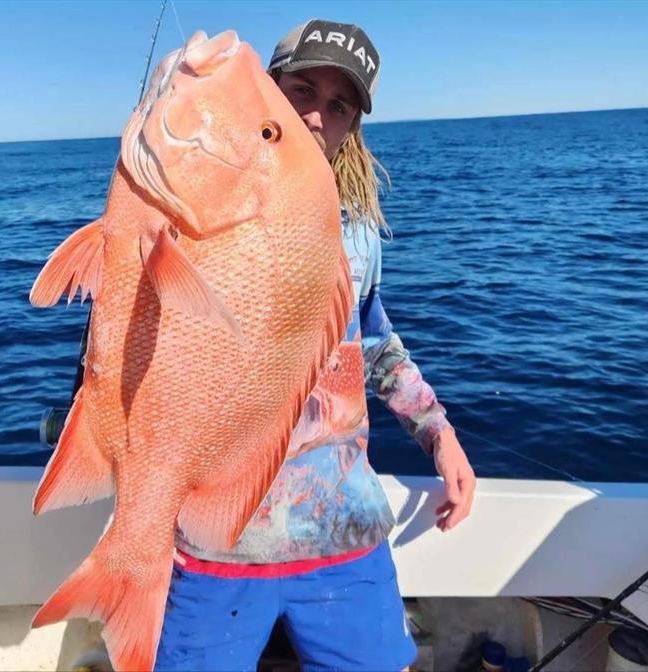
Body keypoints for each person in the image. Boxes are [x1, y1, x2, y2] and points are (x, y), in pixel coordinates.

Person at [154, 19, 476, 672]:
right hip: (218, 542)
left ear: (353, 123)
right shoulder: (197, 208)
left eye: (338, 105)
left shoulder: (357, 231)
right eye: (300, 90)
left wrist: (439, 434)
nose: (313, 116)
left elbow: (377, 343)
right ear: (265, 92)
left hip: (343, 536)